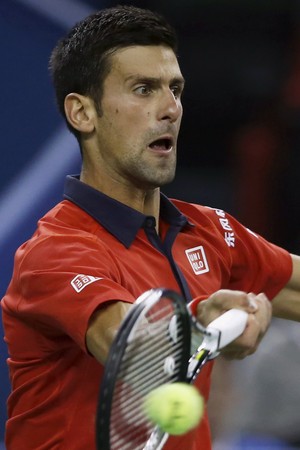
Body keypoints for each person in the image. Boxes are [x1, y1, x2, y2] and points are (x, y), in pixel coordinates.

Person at [1, 5, 300, 450]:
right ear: (83, 113)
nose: (170, 109)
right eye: (143, 89)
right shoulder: (53, 253)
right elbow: (132, 346)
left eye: (175, 90)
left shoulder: (211, 232)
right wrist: (202, 322)